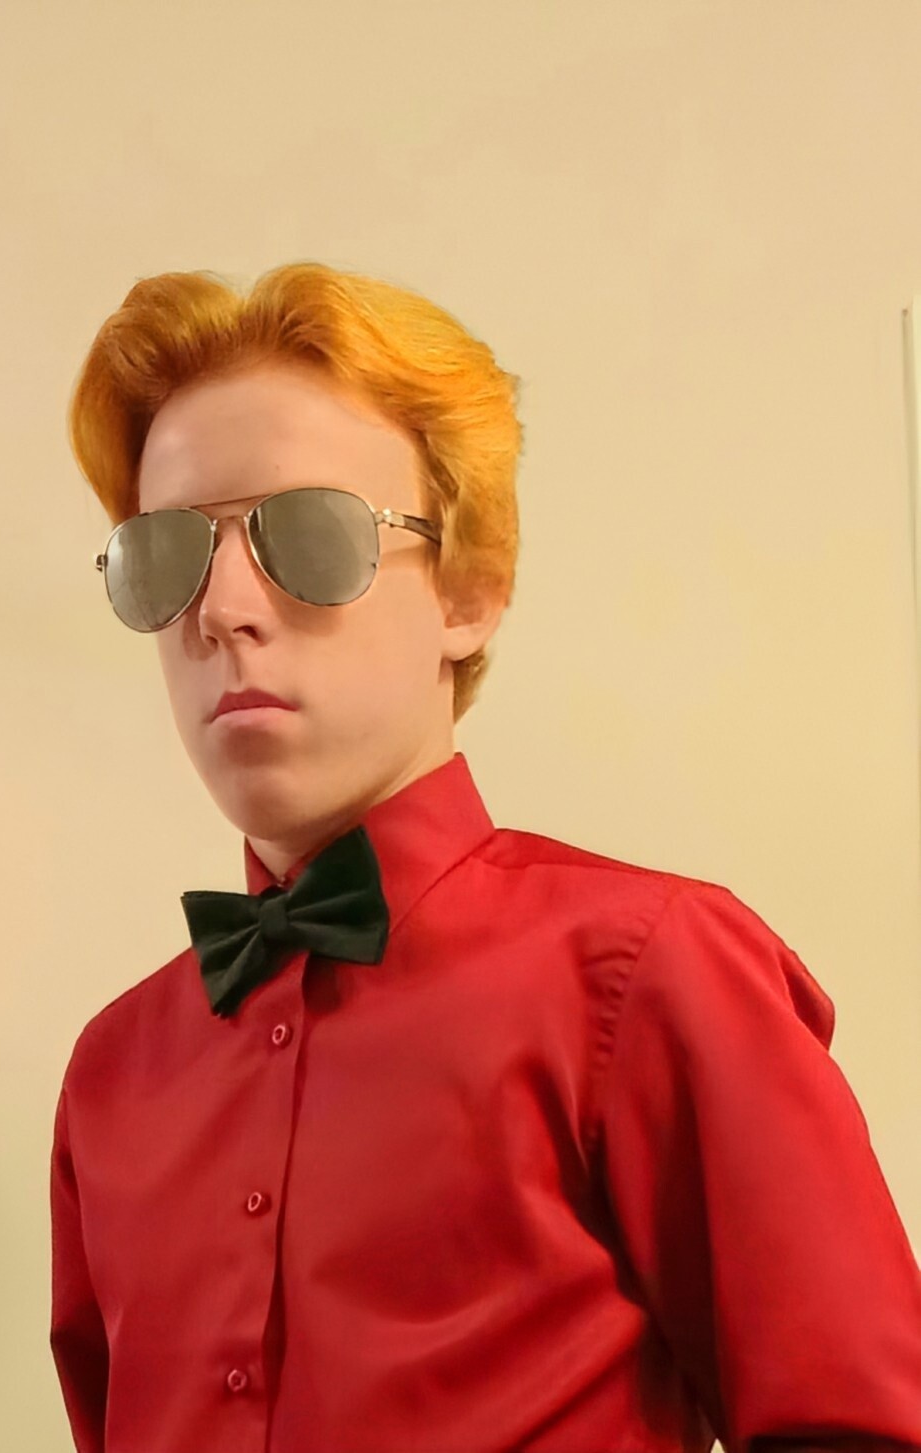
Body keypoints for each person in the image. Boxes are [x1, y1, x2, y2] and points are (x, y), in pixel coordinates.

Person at [49, 262, 921, 1453]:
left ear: (468, 593)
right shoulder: (113, 1077)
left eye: (309, 535)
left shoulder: (650, 971)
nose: (223, 608)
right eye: (166, 556)